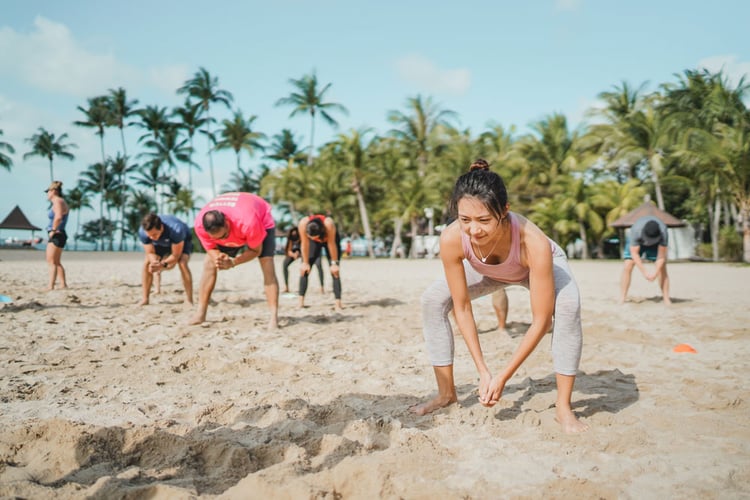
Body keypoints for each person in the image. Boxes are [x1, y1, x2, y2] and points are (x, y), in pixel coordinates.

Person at [413, 159, 588, 434]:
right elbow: (462, 306)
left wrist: (503, 376)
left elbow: (541, 322)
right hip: (487, 269)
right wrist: (483, 371)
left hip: (533, 267)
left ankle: (563, 407)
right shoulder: (451, 238)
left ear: (504, 211)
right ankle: (446, 394)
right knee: (432, 300)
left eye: (484, 220)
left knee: (568, 306)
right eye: (465, 219)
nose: (474, 230)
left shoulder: (534, 242)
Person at [191, 192, 279, 329]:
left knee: (267, 263)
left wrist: (233, 263)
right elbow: (211, 249)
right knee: (209, 263)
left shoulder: (248, 221)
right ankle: (200, 313)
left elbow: (256, 251)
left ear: (226, 222)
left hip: (259, 219)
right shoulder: (200, 226)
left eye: (224, 235)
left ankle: (274, 317)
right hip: (236, 225)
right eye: (217, 238)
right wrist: (218, 258)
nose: (222, 241)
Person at [138, 213, 194, 306]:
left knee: (182, 263)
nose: (152, 237)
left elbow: (175, 256)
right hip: (161, 243)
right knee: (147, 263)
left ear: (161, 227)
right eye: (150, 235)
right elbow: (150, 253)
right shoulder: (143, 232)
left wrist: (163, 264)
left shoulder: (176, 230)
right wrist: (154, 262)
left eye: (154, 234)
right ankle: (145, 299)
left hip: (182, 240)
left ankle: (189, 299)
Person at [619, 216, 671, 304]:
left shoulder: (663, 233)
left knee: (662, 268)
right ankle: (622, 297)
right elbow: (634, 254)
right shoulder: (636, 231)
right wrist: (645, 273)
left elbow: (661, 256)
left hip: (656, 245)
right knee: (628, 265)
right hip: (639, 242)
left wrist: (655, 273)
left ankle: (666, 298)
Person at [298, 214, 342, 309]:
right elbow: (304, 244)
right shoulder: (303, 223)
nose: (313, 238)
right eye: (311, 237)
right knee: (304, 270)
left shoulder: (328, 224)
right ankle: (300, 302)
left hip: (331, 241)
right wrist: (305, 263)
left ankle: (338, 303)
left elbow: (331, 244)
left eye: (315, 237)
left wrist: (334, 263)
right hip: (314, 243)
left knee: (335, 271)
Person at [44, 181, 69, 290]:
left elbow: (58, 217)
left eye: (48, 191)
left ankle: (51, 286)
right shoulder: (61, 201)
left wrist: (53, 230)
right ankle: (63, 285)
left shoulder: (58, 201)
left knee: (51, 261)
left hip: (57, 233)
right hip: (61, 233)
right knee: (57, 261)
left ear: (53, 191)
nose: (47, 194)